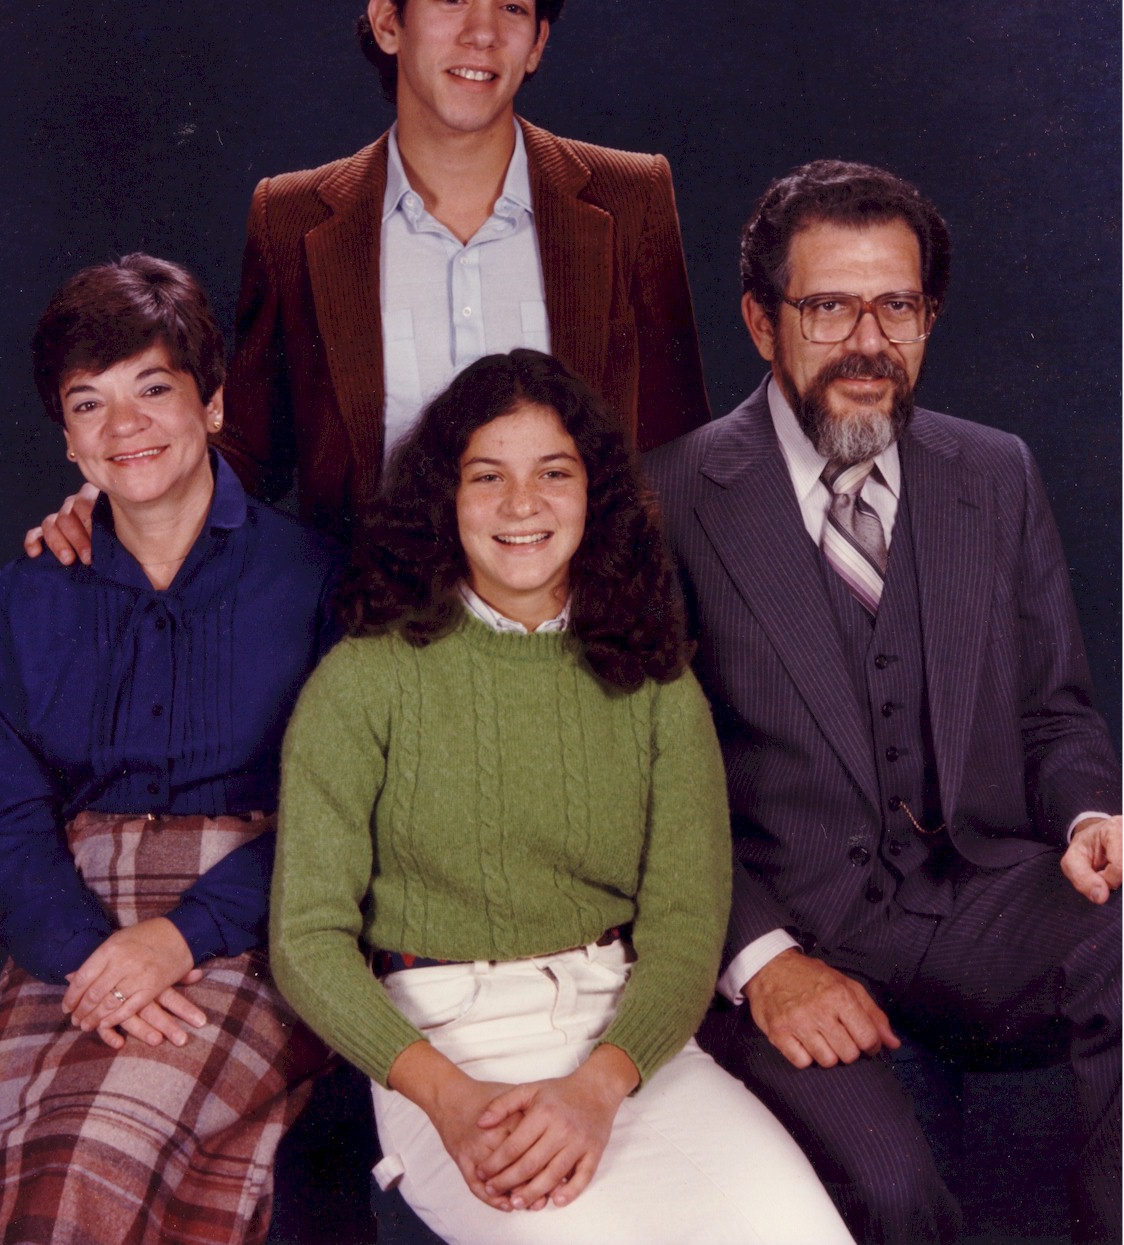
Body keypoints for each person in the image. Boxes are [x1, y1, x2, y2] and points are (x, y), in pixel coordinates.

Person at [270, 348, 853, 1245]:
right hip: (445, 1055)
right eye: (487, 476)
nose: (522, 504)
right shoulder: (363, 679)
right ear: (445, 497)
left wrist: (599, 1085)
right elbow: (305, 938)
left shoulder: (655, 679)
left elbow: (687, 923)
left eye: (553, 472)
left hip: (629, 1043)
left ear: (594, 493)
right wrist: (446, 1097)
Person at [644, 160, 1122, 1245]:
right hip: (791, 927)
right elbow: (646, 795)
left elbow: (1054, 713)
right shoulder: (665, 496)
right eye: (827, 307)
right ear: (761, 322)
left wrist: (1093, 815)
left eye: (896, 306)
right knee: (892, 1191)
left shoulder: (993, 472)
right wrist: (760, 960)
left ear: (927, 316)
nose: (868, 342)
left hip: (978, 900)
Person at [27, 0, 709, 562]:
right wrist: (122, 501)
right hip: (370, 615)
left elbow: (681, 459)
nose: (482, 33)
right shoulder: (292, 219)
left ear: (536, 42)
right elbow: (250, 453)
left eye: (512, 7)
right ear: (389, 22)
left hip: (586, 618)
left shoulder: (630, 198)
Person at [0, 255, 343, 1244]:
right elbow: (10, 816)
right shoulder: (30, 591)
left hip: (258, 913)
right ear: (68, 437)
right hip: (74, 918)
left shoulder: (314, 575)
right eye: (90, 403)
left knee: (95, 1165)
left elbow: (342, 820)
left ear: (212, 402)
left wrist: (179, 937)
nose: (124, 426)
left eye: (153, 388)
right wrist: (89, 951)